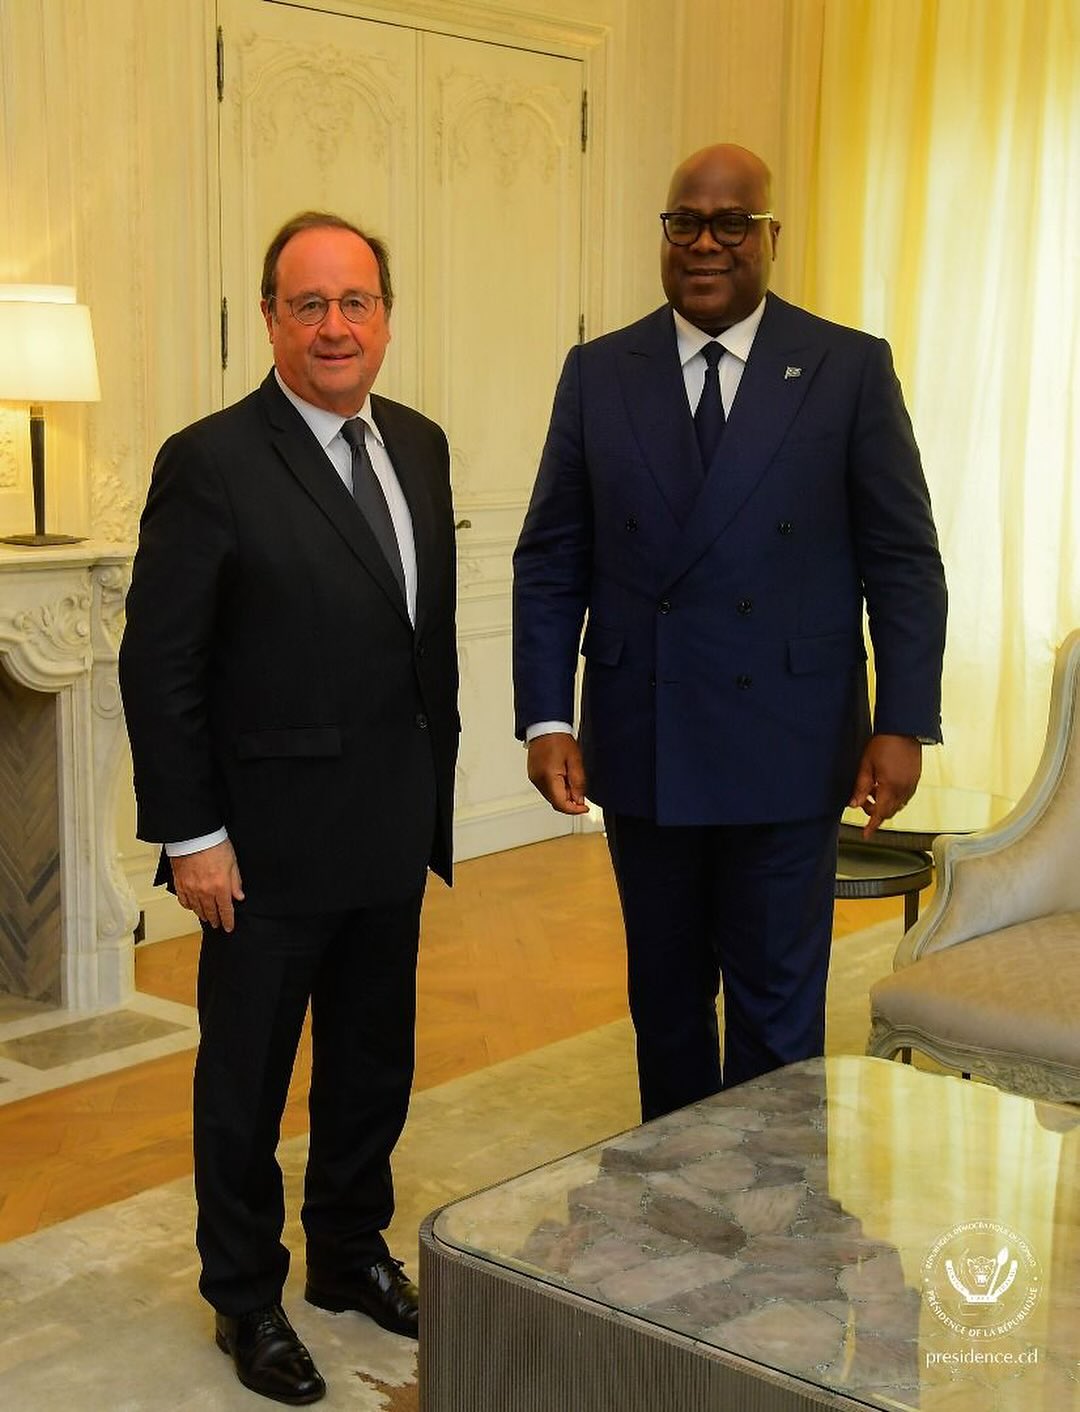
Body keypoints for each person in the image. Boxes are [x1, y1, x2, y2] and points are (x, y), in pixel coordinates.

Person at [512, 144, 946, 1124]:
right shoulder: (598, 372)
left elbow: (904, 560)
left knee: (776, 1008)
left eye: (731, 223)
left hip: (789, 741)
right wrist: (545, 714)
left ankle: (775, 1215)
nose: (707, 243)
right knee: (665, 1004)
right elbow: (551, 557)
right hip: (644, 737)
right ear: (663, 236)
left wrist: (903, 720)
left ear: (770, 237)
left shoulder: (846, 368)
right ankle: (672, 1205)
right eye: (685, 223)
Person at [120, 210, 458, 1405]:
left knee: (375, 1062)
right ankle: (245, 1296)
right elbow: (159, 665)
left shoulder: (418, 442)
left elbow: (424, 641)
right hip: (257, 851)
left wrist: (438, 795)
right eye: (308, 303)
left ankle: (350, 1250)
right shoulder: (209, 460)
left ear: (385, 315)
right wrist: (191, 833)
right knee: (246, 1085)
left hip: (387, 826)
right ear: (269, 316)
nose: (334, 326)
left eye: (355, 301)